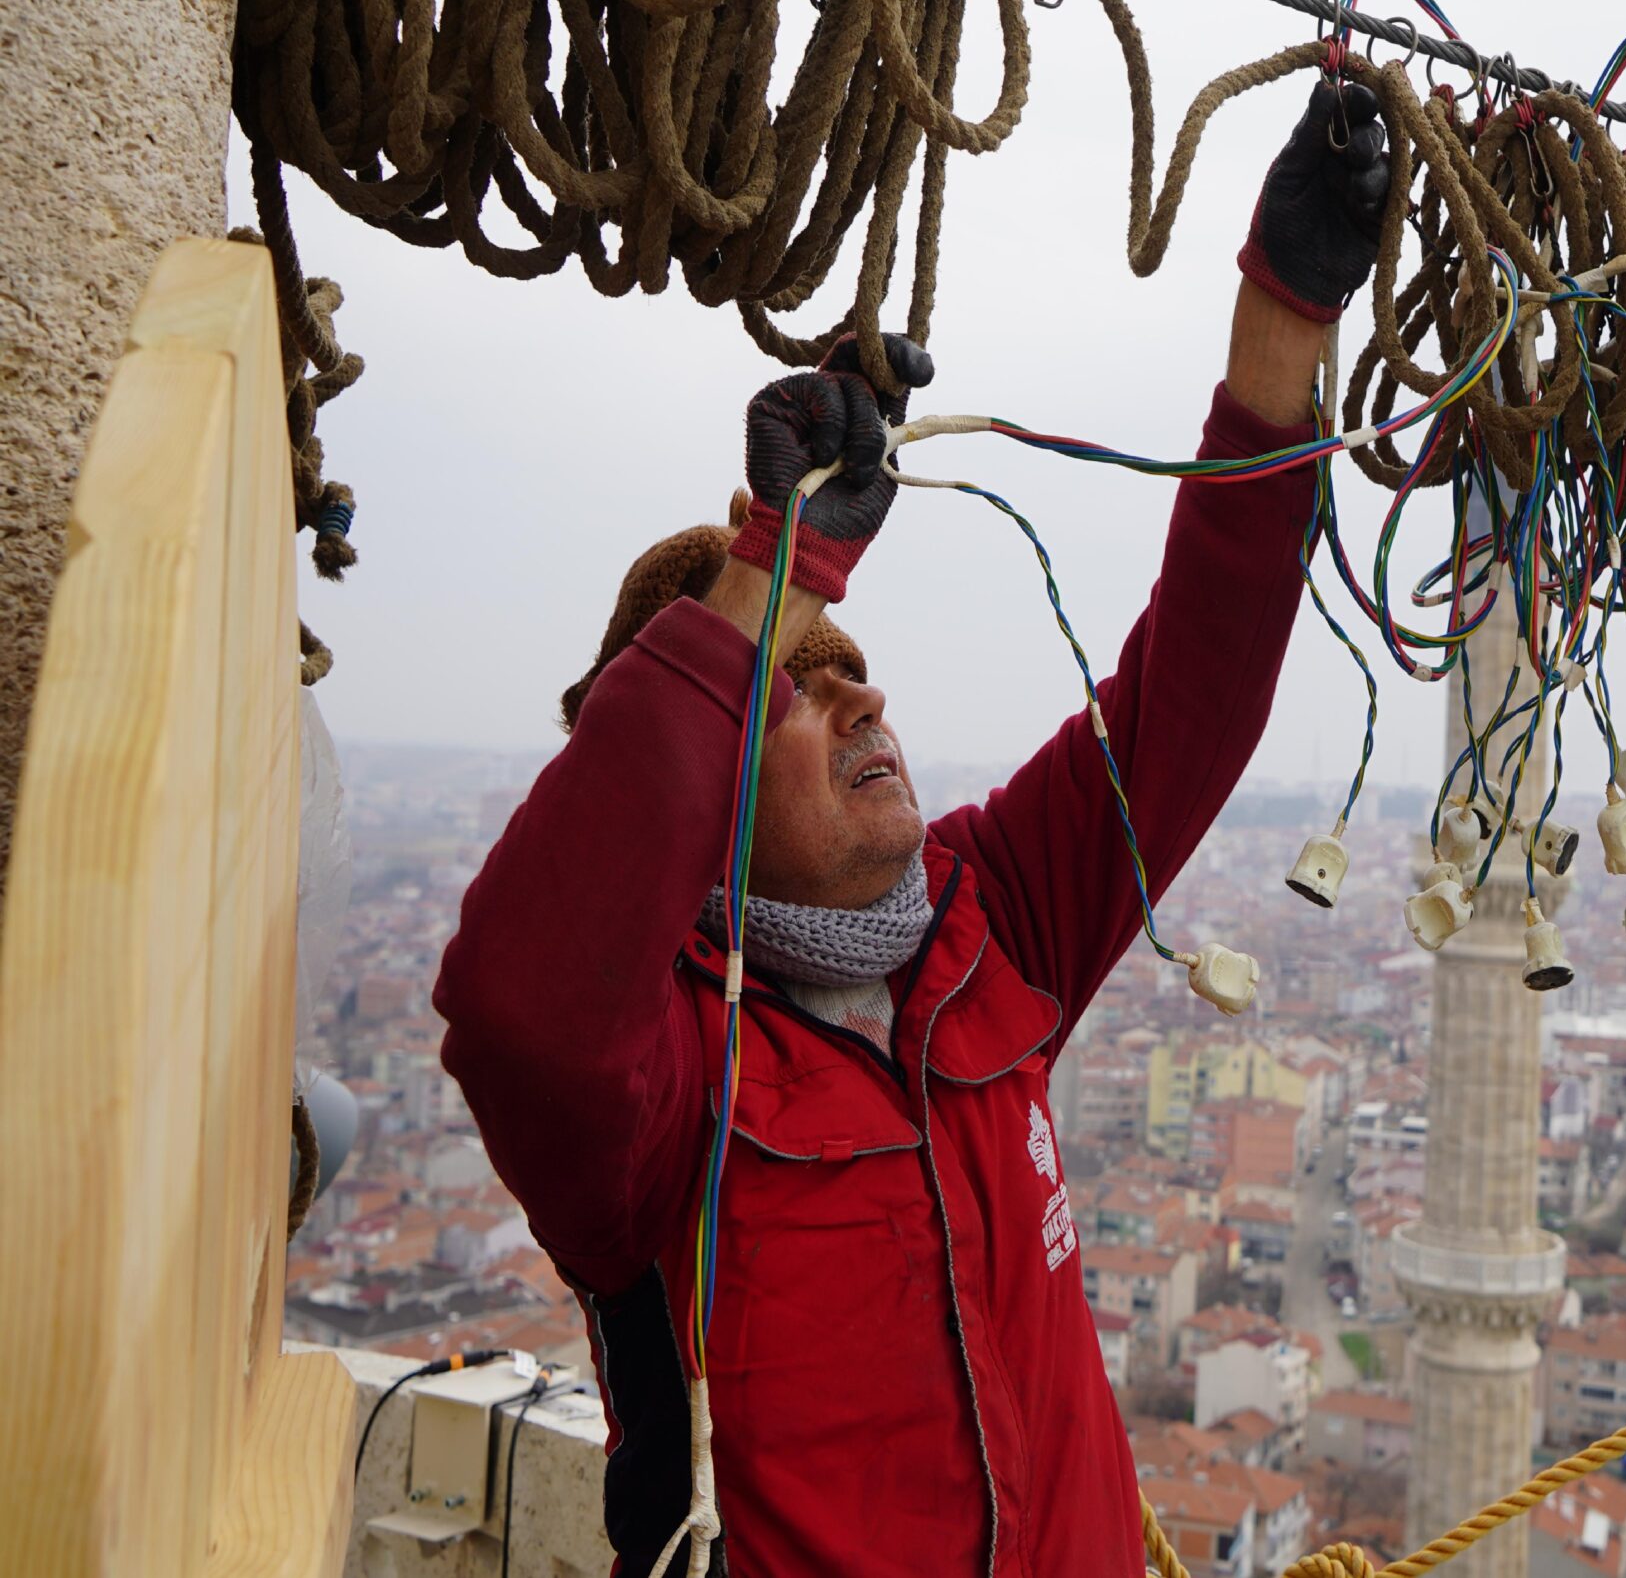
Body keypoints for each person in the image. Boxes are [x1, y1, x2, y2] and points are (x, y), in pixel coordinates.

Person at [433, 77, 1390, 1577]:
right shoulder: (660, 1084)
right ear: (698, 789)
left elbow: (1190, 697)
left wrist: (1287, 319)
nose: (862, 695)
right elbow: (520, 1008)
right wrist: (776, 566)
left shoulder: (985, 919)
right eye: (800, 688)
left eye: (854, 665)